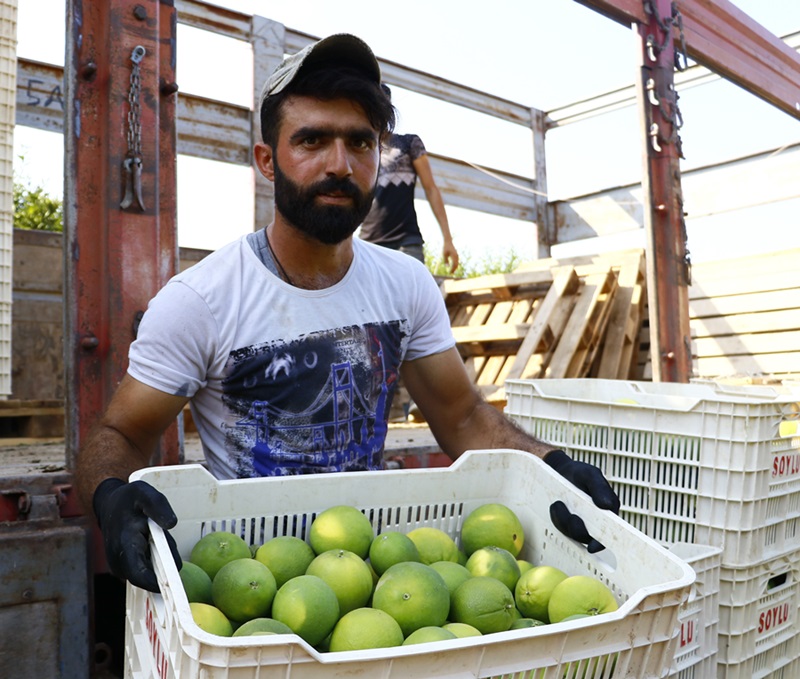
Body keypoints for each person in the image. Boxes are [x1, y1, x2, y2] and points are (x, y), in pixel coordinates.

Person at [75, 33, 619, 593]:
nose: (340, 164)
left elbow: (462, 418)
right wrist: (111, 494)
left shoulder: (405, 284)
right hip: (251, 582)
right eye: (311, 140)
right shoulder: (202, 300)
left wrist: (550, 464)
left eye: (360, 144)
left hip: (374, 573)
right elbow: (120, 431)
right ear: (267, 160)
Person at [359, 85, 459, 273]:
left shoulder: (409, 143)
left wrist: (447, 239)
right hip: (368, 244)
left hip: (406, 242)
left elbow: (431, 189)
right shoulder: (360, 148)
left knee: (412, 301)